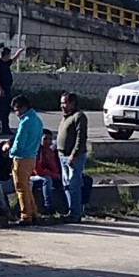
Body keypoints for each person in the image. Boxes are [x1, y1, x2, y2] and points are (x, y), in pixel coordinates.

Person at [8, 94, 43, 226]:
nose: (16, 113)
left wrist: (10, 152)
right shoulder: (37, 120)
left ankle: (25, 215)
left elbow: (19, 143)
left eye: (16, 109)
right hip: (32, 157)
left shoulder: (25, 122)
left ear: (23, 107)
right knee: (27, 187)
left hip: (21, 158)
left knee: (21, 188)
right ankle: (33, 212)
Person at [58, 92, 88, 223]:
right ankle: (71, 211)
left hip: (73, 156)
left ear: (73, 103)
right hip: (62, 155)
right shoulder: (66, 117)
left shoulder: (79, 116)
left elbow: (81, 138)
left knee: (74, 184)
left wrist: (73, 154)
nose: (62, 106)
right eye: (61, 103)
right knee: (66, 185)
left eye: (65, 103)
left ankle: (76, 213)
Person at [0, 46, 25, 136]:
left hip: (6, 89)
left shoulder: (6, 63)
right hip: (0, 90)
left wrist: (19, 52)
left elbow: (13, 60)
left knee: (6, 110)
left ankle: (5, 129)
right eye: (9, 54)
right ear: (5, 55)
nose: (10, 56)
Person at [31, 129, 61, 215]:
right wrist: (53, 175)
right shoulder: (35, 151)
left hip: (46, 175)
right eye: (45, 139)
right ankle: (48, 207)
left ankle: (66, 207)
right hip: (32, 177)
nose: (48, 142)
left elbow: (55, 169)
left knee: (61, 181)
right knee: (47, 179)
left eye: (50, 139)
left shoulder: (50, 151)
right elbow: (37, 171)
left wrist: (48, 158)